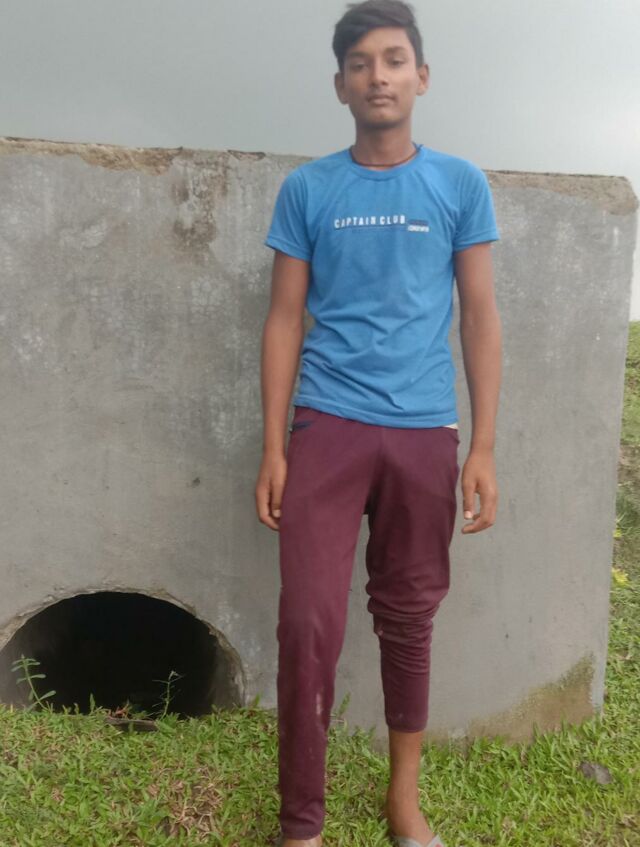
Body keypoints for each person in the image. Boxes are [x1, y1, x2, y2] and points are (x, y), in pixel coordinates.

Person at [254, 1, 502, 845]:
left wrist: (483, 446)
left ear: (421, 78)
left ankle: (403, 800)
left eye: (394, 60)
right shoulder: (310, 188)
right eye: (360, 64)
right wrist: (273, 446)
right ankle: (302, 823)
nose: (378, 76)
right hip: (327, 426)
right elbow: (284, 319)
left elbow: (479, 318)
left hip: (424, 431)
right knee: (307, 623)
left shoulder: (459, 185)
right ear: (340, 86)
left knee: (408, 614)